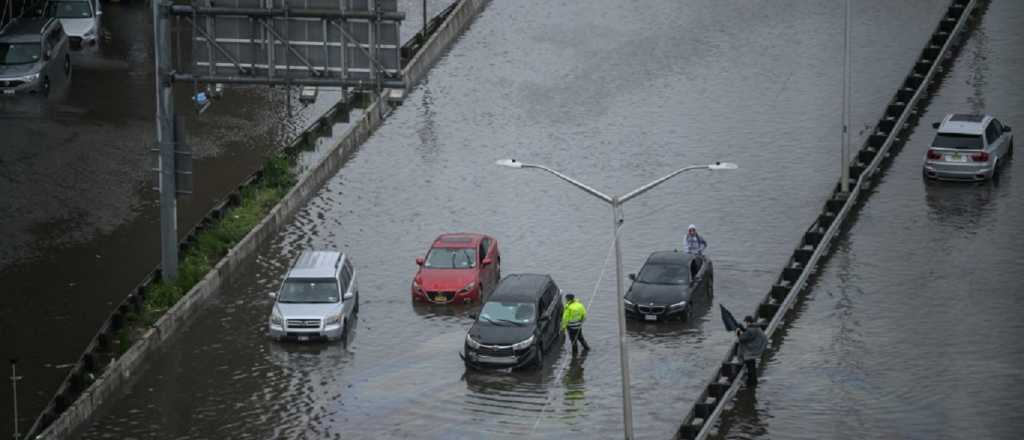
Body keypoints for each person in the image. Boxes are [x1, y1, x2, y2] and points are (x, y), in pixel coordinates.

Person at [736, 316, 768, 388]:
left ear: (748, 322)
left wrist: (737, 332)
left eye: (746, 322)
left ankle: (750, 384)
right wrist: (743, 329)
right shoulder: (756, 327)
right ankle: (754, 383)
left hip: (750, 353)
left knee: (751, 370)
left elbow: (741, 339)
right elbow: (749, 333)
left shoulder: (751, 330)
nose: (746, 324)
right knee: (752, 368)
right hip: (755, 351)